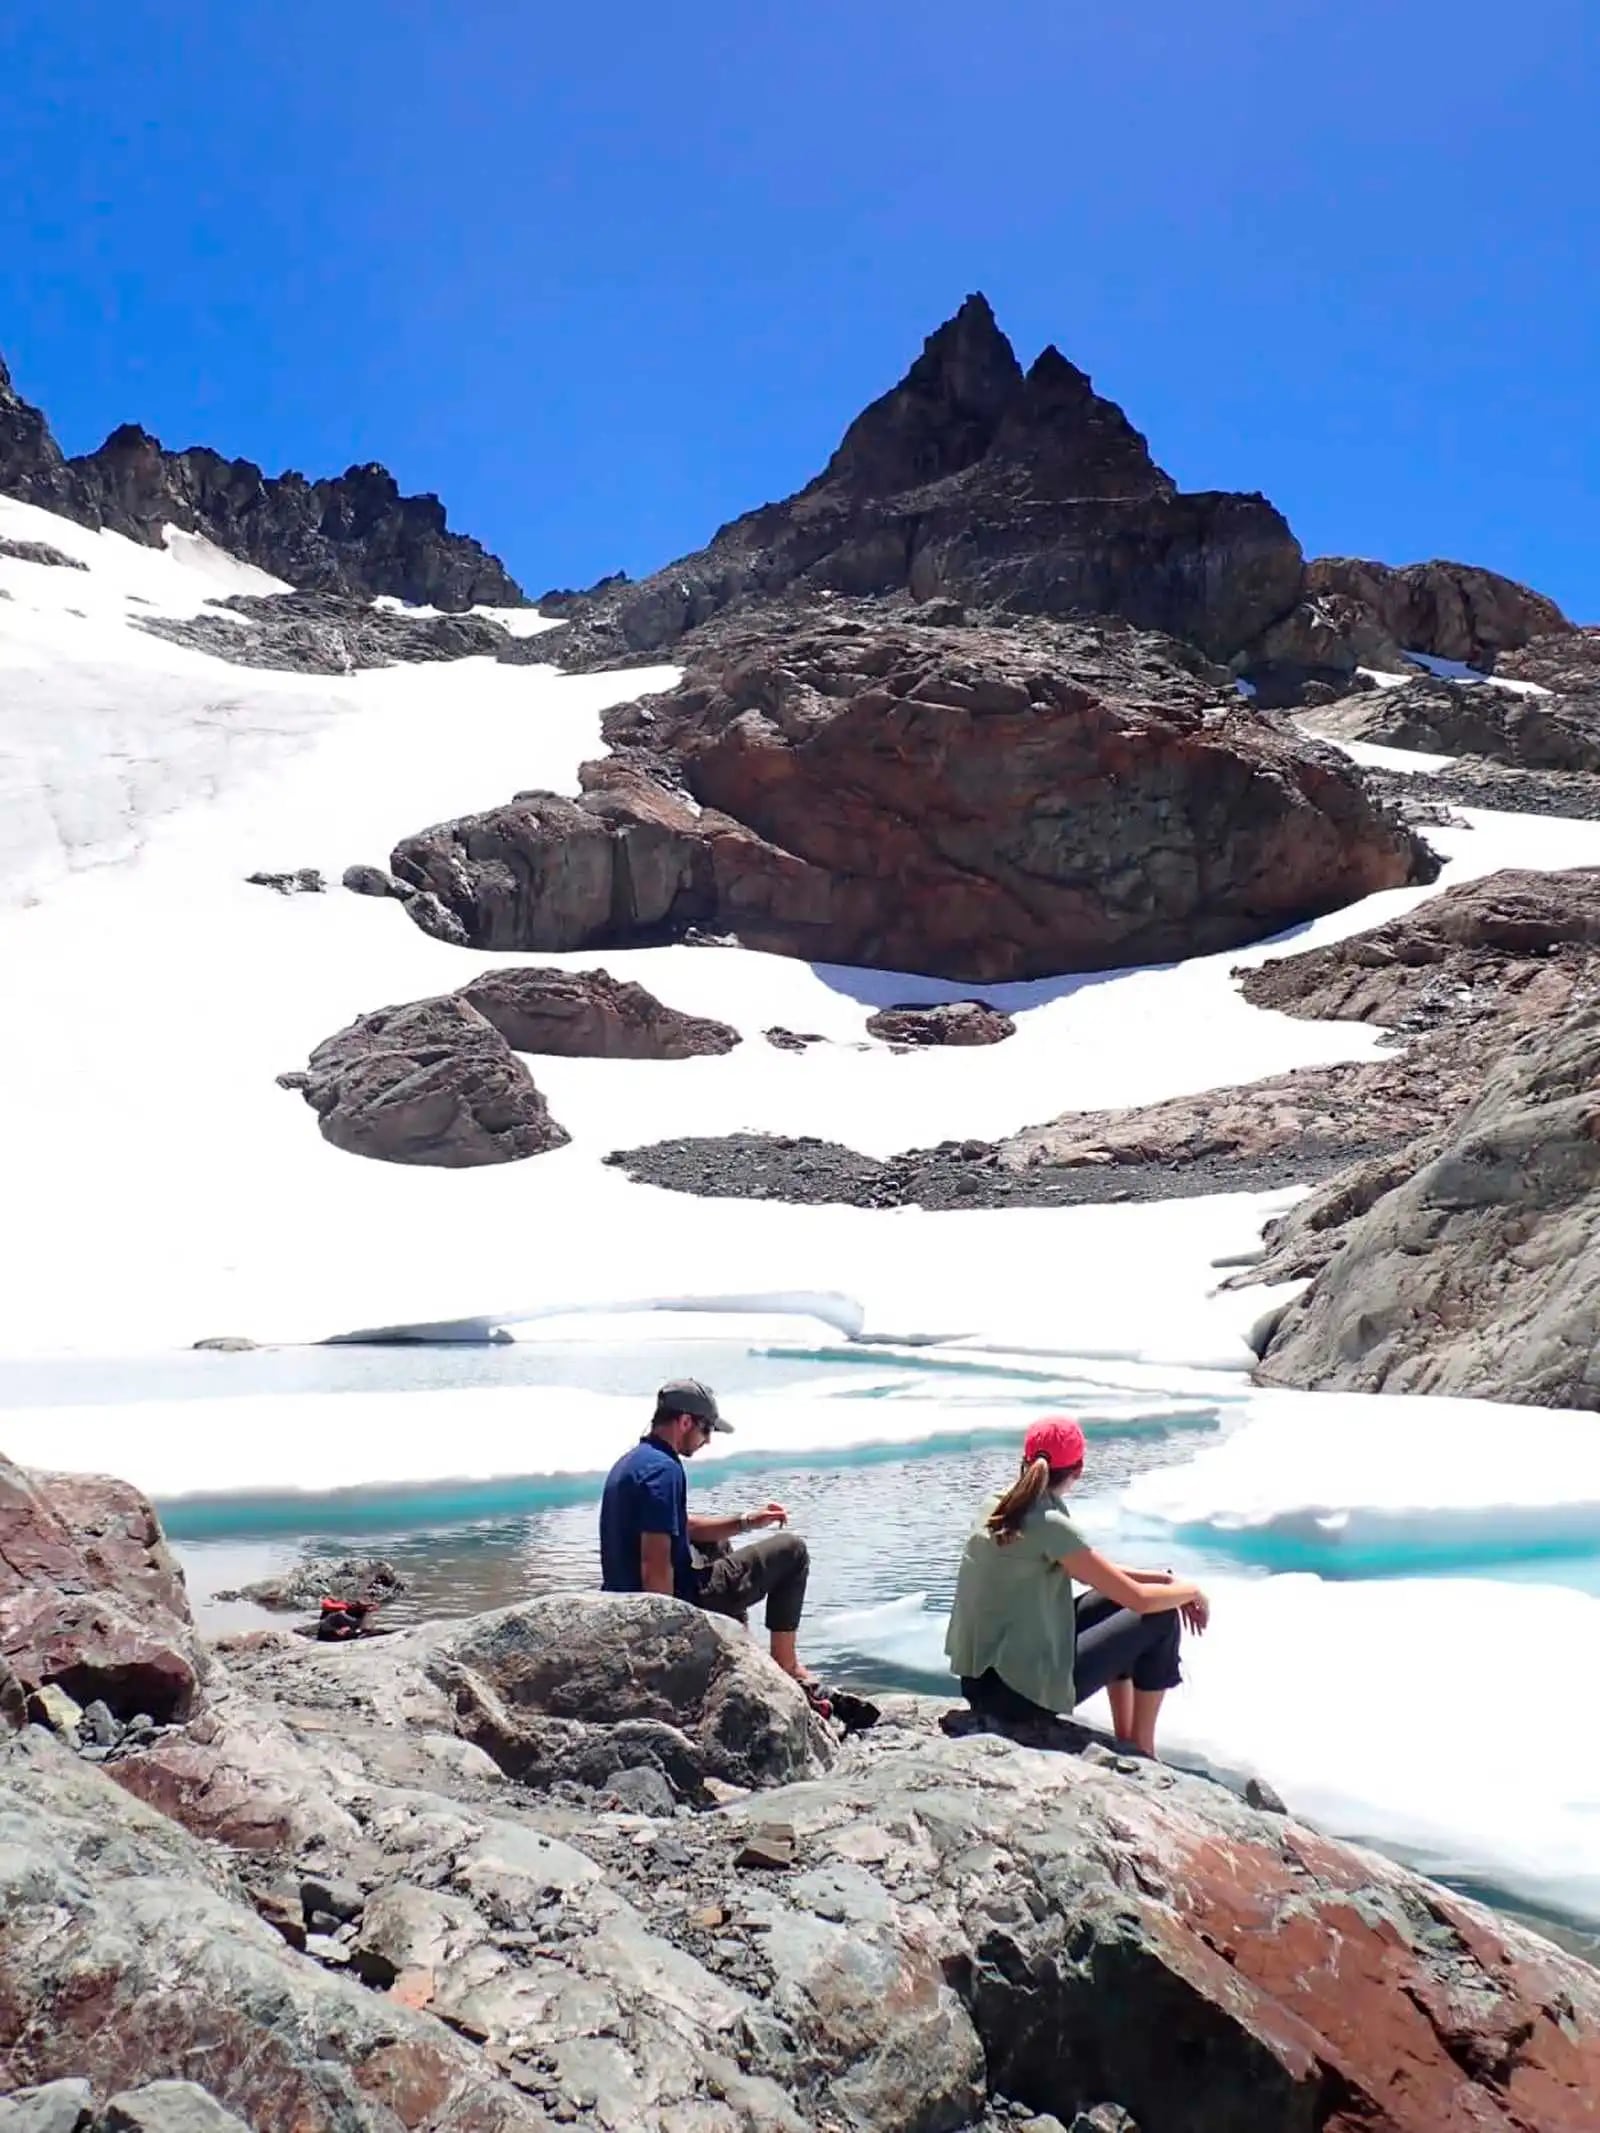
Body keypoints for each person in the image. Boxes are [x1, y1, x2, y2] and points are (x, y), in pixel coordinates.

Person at [945, 1416, 1210, 1758]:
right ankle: (1142, 1749)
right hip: (1016, 1698)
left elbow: (1097, 1574)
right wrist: (1190, 1592)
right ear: (1078, 1469)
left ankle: (1126, 1739)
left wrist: (1164, 1579)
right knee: (1159, 1618)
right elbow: (1141, 1602)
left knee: (1113, 1600)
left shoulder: (997, 1505)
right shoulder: (1050, 1523)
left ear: (1025, 1460)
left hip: (982, 1684)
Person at [599, 1378, 815, 1685]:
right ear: (685, 1421)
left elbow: (681, 1527)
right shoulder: (664, 1471)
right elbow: (654, 1564)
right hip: (681, 1600)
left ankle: (740, 1646)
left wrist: (747, 1521)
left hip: (618, 1596)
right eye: (707, 1430)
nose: (708, 1440)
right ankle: (787, 1666)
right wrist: (663, 1644)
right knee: (792, 1551)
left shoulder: (635, 1461)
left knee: (718, 1544)